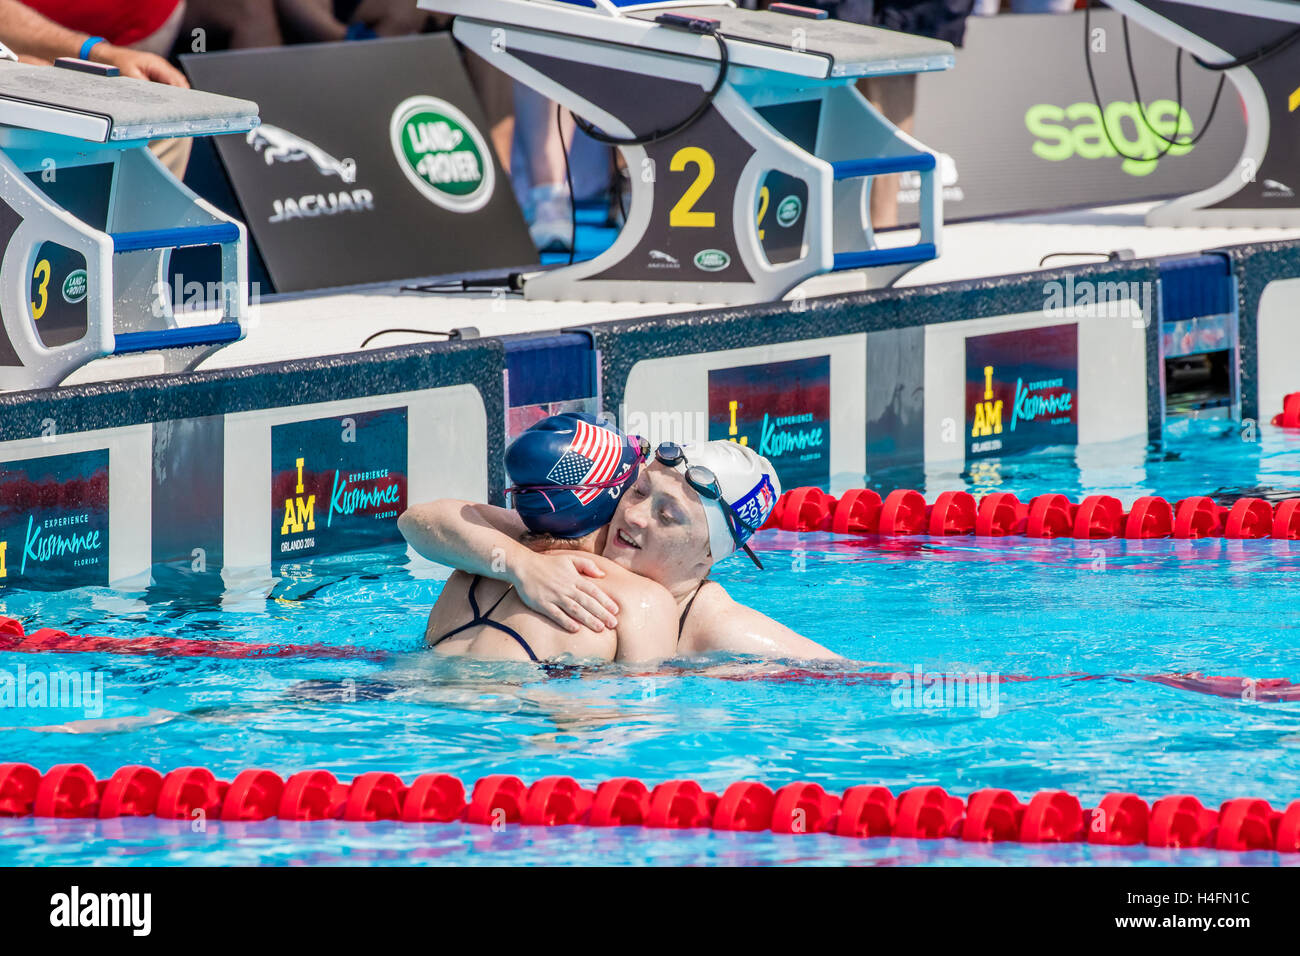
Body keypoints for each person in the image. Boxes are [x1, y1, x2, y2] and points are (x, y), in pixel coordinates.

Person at [400, 416, 842, 661]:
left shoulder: (717, 625)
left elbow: (843, 677)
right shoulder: (545, 547)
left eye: (667, 516)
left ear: (708, 554)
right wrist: (524, 567)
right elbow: (422, 520)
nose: (632, 515)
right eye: (641, 490)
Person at [417, 414, 679, 664]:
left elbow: (419, 519)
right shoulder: (639, 599)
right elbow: (645, 705)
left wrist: (521, 565)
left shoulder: (477, 560)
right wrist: (524, 567)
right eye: (637, 491)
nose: (638, 511)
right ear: (608, 497)